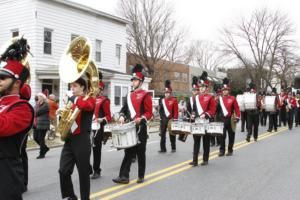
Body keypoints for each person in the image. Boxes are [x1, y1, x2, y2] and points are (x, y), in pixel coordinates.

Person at [0, 37, 34, 200]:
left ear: (16, 83)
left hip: (6, 176)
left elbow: (2, 127)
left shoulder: (23, 108)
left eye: (2, 78)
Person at [112, 64, 152, 184]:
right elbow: (124, 110)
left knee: (140, 152)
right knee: (128, 152)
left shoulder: (145, 95)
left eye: (135, 80)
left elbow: (149, 112)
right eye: (132, 80)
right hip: (130, 127)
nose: (133, 82)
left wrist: (142, 118)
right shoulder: (129, 95)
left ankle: (141, 175)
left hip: (141, 128)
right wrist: (122, 117)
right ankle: (124, 176)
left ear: (141, 81)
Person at [59, 76, 96, 200]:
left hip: (82, 140)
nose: (72, 88)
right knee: (63, 171)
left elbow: (87, 106)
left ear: (82, 87)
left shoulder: (89, 99)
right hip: (70, 139)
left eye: (75, 86)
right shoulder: (72, 101)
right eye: (71, 86)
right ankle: (70, 196)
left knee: (83, 174)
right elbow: (66, 119)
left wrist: (73, 98)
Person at [189, 71, 216, 166]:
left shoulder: (210, 97)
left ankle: (205, 159)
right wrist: (192, 116)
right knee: (196, 141)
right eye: (200, 87)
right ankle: (195, 160)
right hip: (197, 122)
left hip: (206, 122)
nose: (201, 88)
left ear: (206, 87)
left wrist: (206, 114)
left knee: (206, 142)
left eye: (203, 87)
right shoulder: (196, 98)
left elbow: (213, 110)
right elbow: (194, 110)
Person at [90, 72, 112, 179]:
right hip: (88, 128)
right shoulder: (90, 99)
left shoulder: (104, 101)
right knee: (85, 150)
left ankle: (97, 170)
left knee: (96, 150)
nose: (94, 89)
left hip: (98, 128)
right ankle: (89, 168)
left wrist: (101, 119)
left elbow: (109, 117)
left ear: (101, 89)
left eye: (97, 87)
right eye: (94, 87)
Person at [217, 78, 240, 156]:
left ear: (228, 90)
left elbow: (237, 108)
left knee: (231, 135)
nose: (224, 91)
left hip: (231, 119)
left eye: (226, 90)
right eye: (223, 90)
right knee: (222, 136)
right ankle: (222, 150)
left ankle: (230, 150)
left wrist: (237, 117)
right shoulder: (219, 99)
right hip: (222, 119)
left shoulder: (233, 98)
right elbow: (216, 110)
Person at [158, 80, 179, 153]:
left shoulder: (174, 100)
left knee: (172, 134)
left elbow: (176, 111)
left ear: (170, 93)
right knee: (162, 134)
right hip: (163, 119)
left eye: (168, 93)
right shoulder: (162, 100)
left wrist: (175, 119)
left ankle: (173, 147)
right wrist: (160, 117)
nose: (166, 94)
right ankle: (163, 148)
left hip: (171, 119)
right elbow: (160, 110)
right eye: (165, 93)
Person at [19, 83, 32, 192]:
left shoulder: (24, 86)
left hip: (21, 120)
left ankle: (23, 183)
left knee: (21, 154)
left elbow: (27, 93)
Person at [33, 92, 50, 159]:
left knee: (40, 138)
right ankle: (45, 148)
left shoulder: (46, 105)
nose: (38, 98)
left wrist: (36, 107)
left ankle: (42, 153)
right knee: (35, 138)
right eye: (38, 97)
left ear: (42, 98)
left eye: (39, 97)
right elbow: (33, 112)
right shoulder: (37, 104)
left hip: (43, 125)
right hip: (36, 124)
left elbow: (36, 113)